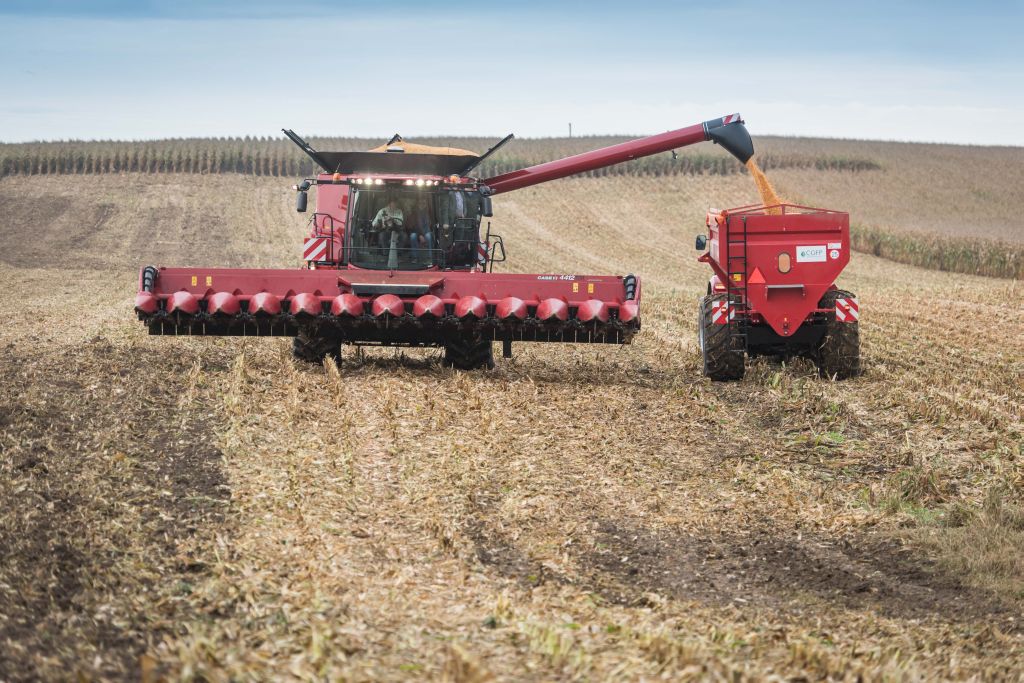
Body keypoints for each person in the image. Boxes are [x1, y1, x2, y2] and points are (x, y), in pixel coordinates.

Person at [409, 196, 434, 261]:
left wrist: (425, 233)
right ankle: (415, 257)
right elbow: (413, 226)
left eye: (424, 203)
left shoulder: (430, 212)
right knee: (412, 236)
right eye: (420, 202)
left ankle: (430, 258)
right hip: (417, 232)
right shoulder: (414, 213)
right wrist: (420, 235)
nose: (422, 204)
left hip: (427, 232)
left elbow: (431, 225)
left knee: (429, 236)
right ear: (417, 203)